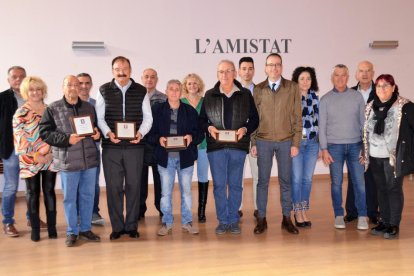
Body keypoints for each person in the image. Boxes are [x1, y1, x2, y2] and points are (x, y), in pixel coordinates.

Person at [40, 75, 101, 247]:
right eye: (70, 84)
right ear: (63, 87)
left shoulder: (89, 107)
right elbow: (45, 133)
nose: (74, 87)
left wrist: (98, 135)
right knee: (69, 198)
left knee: (88, 196)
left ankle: (86, 229)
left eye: (77, 84)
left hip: (89, 161)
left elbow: (95, 130)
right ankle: (72, 231)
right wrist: (67, 139)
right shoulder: (53, 108)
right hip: (68, 162)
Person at [199, 60, 259, 235]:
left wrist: (245, 129)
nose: (224, 75)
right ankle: (222, 220)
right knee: (219, 185)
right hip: (215, 147)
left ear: (234, 73)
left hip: (238, 146)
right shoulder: (209, 95)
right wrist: (209, 128)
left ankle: (233, 220)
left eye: (227, 71)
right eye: (220, 72)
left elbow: (255, 119)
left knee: (235, 185)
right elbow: (202, 120)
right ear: (217, 74)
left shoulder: (246, 94)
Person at [96, 56, 152, 240]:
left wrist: (140, 134)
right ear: (112, 71)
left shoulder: (141, 90)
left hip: (135, 147)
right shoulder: (103, 90)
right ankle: (117, 227)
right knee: (113, 188)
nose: (121, 71)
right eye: (117, 68)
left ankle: (132, 226)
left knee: (134, 186)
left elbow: (148, 118)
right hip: (112, 147)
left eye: (125, 68)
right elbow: (100, 117)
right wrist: (107, 133)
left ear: (130, 69)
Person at [251, 53, 302, 235]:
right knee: (262, 182)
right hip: (263, 141)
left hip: (286, 141)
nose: (274, 68)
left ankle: (287, 218)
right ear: (265, 68)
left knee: (286, 181)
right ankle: (262, 218)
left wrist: (296, 143)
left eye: (277, 65)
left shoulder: (292, 87)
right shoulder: (258, 89)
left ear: (282, 67)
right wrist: (254, 141)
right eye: (271, 65)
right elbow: (253, 118)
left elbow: (297, 116)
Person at [363, 74, 414, 239]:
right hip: (375, 156)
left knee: (393, 189)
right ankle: (384, 221)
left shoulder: (404, 106)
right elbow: (366, 131)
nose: (382, 89)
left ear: (393, 87)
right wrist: (364, 151)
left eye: (386, 85)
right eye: (378, 86)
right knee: (381, 189)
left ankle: (393, 224)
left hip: (393, 156)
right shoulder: (371, 106)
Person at [319, 64, 368, 230]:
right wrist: (324, 149)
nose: (340, 78)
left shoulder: (357, 97)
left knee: (359, 183)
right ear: (332, 78)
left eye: (343, 75)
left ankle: (362, 215)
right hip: (334, 148)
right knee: (336, 183)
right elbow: (322, 127)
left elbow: (364, 124)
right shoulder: (325, 100)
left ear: (348, 77)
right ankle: (339, 215)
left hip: (356, 146)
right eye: (337, 75)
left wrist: (365, 148)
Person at [151, 80, 202, 236]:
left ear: (181, 92)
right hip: (165, 158)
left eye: (177, 89)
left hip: (185, 158)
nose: (174, 92)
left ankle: (187, 222)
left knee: (186, 192)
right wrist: (159, 138)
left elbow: (199, 133)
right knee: (165, 193)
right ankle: (167, 222)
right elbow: (150, 133)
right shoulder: (157, 110)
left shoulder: (190, 111)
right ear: (166, 91)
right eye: (171, 89)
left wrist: (191, 137)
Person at [13, 76, 57, 242]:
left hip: (50, 157)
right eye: (31, 89)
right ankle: (35, 231)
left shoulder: (50, 109)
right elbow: (19, 138)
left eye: (38, 89)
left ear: (43, 91)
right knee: (32, 193)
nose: (35, 92)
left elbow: (57, 134)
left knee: (49, 192)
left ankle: (52, 230)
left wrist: (51, 153)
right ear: (26, 92)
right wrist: (37, 156)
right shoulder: (21, 113)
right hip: (30, 159)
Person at [344, 61, 379, 224]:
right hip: (354, 141)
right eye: (361, 71)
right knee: (353, 176)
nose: (364, 74)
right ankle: (352, 211)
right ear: (356, 74)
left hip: (375, 141)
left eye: (368, 71)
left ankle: (372, 212)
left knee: (372, 177)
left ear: (373, 73)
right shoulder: (349, 92)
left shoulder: (380, 91)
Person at [290, 66, 320, 227]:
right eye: (302, 78)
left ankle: (304, 209)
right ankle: (296, 211)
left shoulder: (315, 97)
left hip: (312, 143)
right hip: (297, 143)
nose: (305, 81)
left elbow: (319, 121)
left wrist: (322, 146)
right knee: (296, 179)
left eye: (308, 78)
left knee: (307, 179)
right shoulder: (291, 98)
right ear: (296, 80)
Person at [0, 66, 26, 237]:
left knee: (32, 188)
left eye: (21, 77)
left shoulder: (33, 96)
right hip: (10, 150)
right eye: (14, 77)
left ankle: (33, 218)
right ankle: (8, 222)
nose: (18, 80)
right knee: (10, 187)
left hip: (30, 150)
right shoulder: (2, 98)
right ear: (8, 79)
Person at [77, 73, 105, 226]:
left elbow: (102, 126)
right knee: (76, 183)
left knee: (93, 183)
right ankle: (78, 214)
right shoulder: (70, 104)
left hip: (93, 149)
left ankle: (93, 212)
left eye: (87, 83)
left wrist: (98, 134)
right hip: (74, 150)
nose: (84, 86)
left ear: (91, 85)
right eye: (80, 83)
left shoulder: (97, 105)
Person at [181, 73, 210, 223]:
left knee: (203, 177)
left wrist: (200, 140)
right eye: (189, 83)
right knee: (185, 180)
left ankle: (201, 211)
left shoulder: (205, 101)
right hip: (186, 147)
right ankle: (186, 212)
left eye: (195, 83)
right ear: (185, 86)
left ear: (199, 86)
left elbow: (208, 122)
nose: (192, 86)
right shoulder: (180, 102)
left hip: (203, 145)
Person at [140, 68, 166, 219]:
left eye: (152, 77)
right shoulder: (136, 97)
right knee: (139, 180)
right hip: (140, 144)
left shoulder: (163, 98)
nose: (149, 79)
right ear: (142, 78)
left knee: (160, 180)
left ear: (157, 79)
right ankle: (139, 210)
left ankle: (162, 209)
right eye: (147, 77)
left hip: (158, 145)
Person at [237, 56, 258, 218]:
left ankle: (258, 208)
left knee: (258, 175)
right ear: (238, 71)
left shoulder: (260, 91)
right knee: (237, 175)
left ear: (254, 71)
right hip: (237, 140)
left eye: (250, 68)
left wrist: (256, 139)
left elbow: (261, 118)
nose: (247, 72)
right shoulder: (233, 91)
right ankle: (237, 207)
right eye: (244, 68)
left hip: (255, 140)